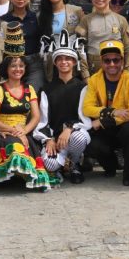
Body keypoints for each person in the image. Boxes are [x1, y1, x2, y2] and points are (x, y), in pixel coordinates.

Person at [0, 55, 57, 191]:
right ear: (6, 69)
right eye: (13, 66)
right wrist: (14, 130)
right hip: (1, 133)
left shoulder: (29, 89)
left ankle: (17, 175)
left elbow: (36, 116)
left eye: (21, 66)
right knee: (15, 147)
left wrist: (24, 131)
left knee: (22, 146)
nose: (18, 69)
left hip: (23, 132)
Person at [35, 31, 90, 183]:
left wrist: (69, 128)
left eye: (68, 59)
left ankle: (75, 163)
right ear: (55, 62)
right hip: (55, 138)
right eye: (60, 59)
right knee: (49, 164)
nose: (64, 62)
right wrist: (48, 140)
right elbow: (43, 120)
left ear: (74, 62)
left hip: (73, 135)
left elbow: (84, 119)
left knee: (79, 138)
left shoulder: (82, 87)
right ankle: (60, 166)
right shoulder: (46, 89)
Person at [82, 40, 129, 181]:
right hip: (109, 127)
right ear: (102, 62)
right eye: (107, 61)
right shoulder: (94, 80)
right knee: (90, 142)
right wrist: (112, 112)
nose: (112, 64)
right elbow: (87, 108)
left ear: (122, 60)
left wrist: (103, 121)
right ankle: (111, 166)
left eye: (116, 60)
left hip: (125, 126)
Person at [77, 0, 129, 73]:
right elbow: (81, 49)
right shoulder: (85, 20)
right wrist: (86, 76)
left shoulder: (121, 20)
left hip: (117, 70)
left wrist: (128, 72)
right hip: (94, 72)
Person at [37, 0, 85, 81]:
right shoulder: (40, 16)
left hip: (73, 67)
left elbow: (84, 39)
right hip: (52, 67)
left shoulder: (77, 11)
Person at [3, 0, 45, 92]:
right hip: (12, 62)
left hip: (34, 63)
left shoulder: (36, 17)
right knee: (15, 95)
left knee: (32, 94)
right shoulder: (3, 20)